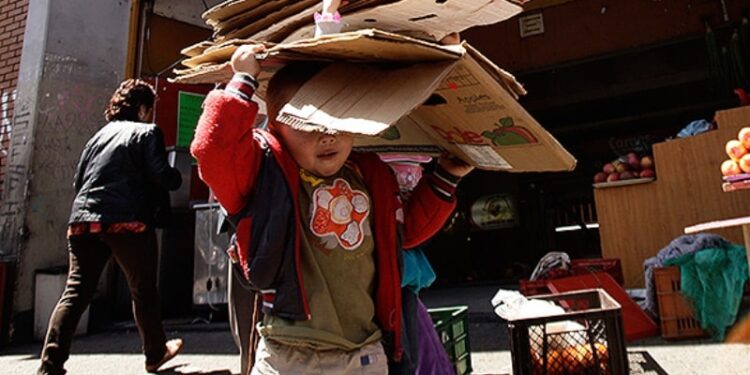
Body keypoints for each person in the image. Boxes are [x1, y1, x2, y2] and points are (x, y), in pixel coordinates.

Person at [190, 43, 474, 375]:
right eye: (309, 124)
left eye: (339, 121)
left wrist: (446, 177)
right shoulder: (266, 175)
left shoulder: (371, 175)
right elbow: (213, 151)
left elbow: (406, 231)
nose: (327, 135)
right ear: (276, 128)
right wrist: (242, 80)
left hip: (365, 353)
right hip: (289, 355)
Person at [37, 79, 184, 375]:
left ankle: (50, 365)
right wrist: (175, 176)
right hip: (126, 221)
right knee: (142, 290)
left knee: (75, 292)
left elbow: (78, 181)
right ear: (143, 108)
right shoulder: (147, 132)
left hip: (83, 220)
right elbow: (160, 175)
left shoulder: (96, 138)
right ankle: (154, 354)